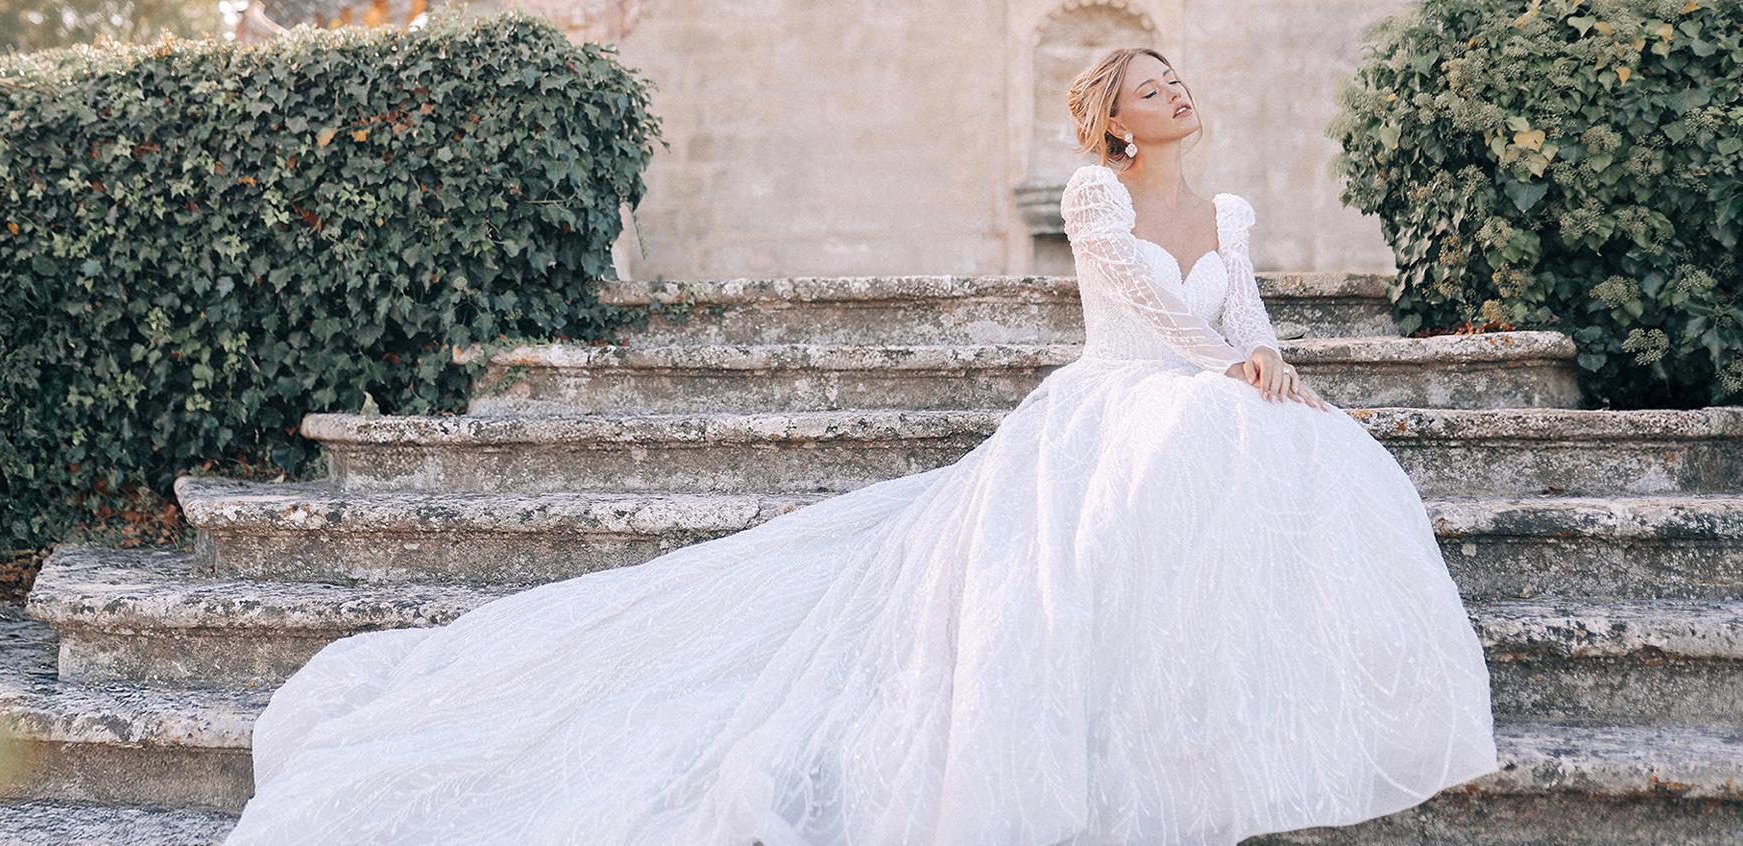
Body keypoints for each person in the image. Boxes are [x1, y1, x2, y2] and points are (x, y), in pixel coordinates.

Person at [222, 47, 1500, 846]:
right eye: (1150, 85)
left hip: (1205, 384)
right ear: (1112, 120)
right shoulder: (1096, 193)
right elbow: (1154, 311)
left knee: (1305, 451)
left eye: (1176, 80)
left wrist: (1281, 372)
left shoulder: (1224, 202)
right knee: (1191, 438)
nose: (1177, 92)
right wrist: (1224, 367)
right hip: (1120, 394)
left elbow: (1240, 310)